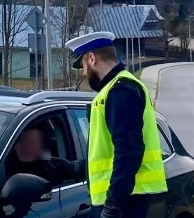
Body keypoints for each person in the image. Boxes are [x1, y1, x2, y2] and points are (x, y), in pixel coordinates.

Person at [65, 31, 167, 218]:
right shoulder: (114, 90)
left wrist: (113, 206)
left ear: (92, 58)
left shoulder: (121, 90)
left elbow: (129, 151)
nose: (84, 72)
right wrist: (70, 167)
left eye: (83, 66)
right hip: (123, 199)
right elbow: (106, 152)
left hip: (124, 203)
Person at [4, 126, 80, 185]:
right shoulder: (2, 166)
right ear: (16, 145)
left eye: (36, 143)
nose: (33, 147)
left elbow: (72, 168)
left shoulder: (51, 164)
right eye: (28, 142)